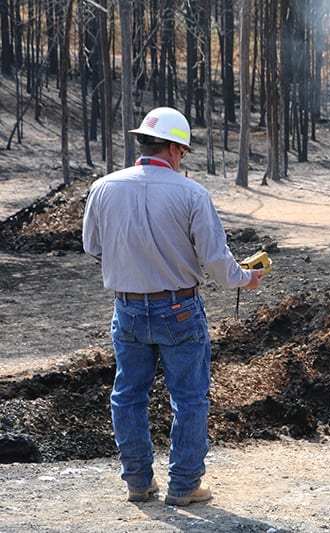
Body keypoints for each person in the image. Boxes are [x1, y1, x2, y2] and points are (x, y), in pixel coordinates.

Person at [82, 107, 266, 506]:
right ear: (174, 148)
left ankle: (137, 483)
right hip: (179, 309)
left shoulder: (103, 187)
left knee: (128, 396)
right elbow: (216, 260)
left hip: (127, 308)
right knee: (189, 398)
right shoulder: (191, 193)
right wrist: (244, 278)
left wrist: (132, 262)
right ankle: (184, 486)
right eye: (182, 150)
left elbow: (93, 247)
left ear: (142, 143)